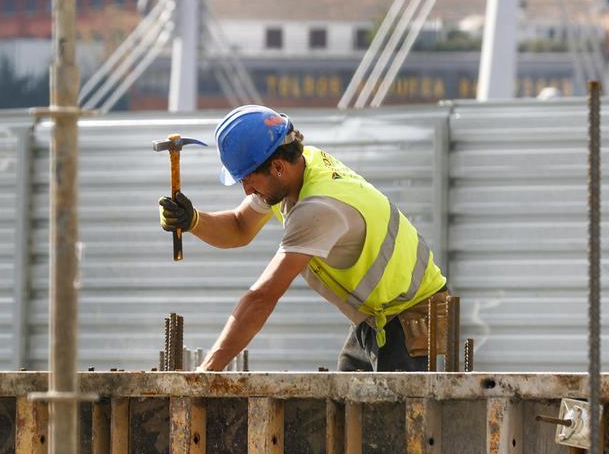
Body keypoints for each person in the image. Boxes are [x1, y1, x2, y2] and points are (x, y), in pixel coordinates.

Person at [158, 105, 449, 372]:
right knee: (346, 414)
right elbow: (239, 226)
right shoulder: (298, 168)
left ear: (277, 167)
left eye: (248, 179)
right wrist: (193, 219)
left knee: (395, 426)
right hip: (378, 320)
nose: (247, 191)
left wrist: (204, 374)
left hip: (415, 324)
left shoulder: (318, 207)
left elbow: (262, 298)